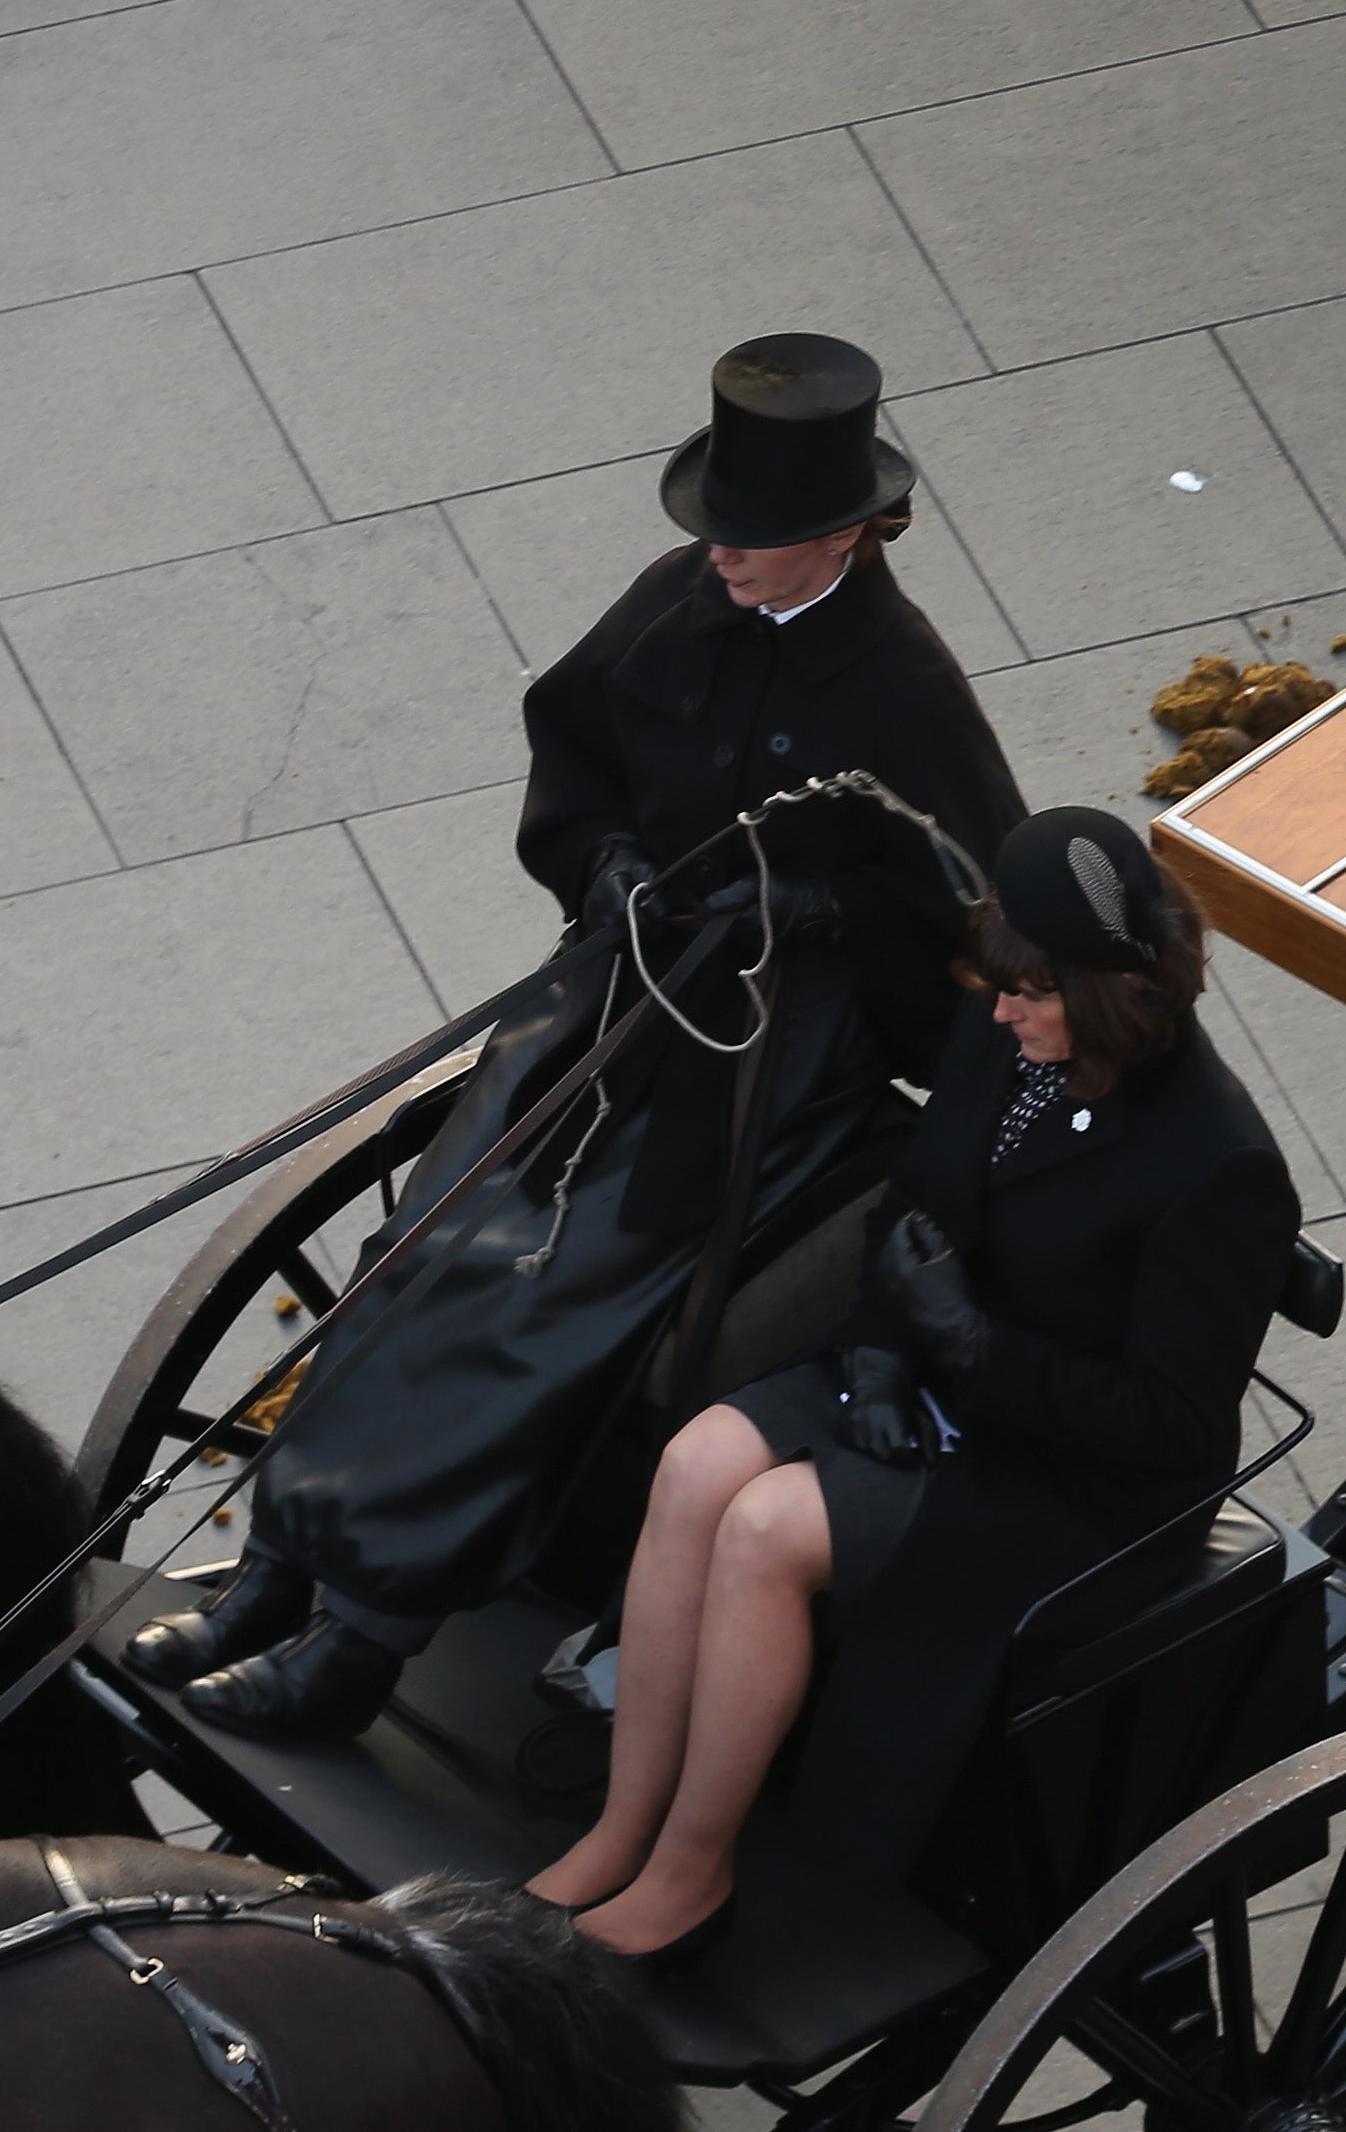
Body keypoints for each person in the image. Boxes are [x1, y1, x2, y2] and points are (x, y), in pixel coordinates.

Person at [129, 336, 1028, 1744]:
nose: (720, 558)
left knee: (537, 1310)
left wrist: (820, 908)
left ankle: (364, 1638)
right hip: (615, 987)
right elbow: (575, 739)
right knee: (418, 1248)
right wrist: (603, 855)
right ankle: (275, 1570)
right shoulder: (683, 600)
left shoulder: (904, 688)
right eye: (716, 530)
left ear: (846, 532)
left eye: (754, 538)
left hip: (758, 1060)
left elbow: (973, 905)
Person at [529, 809, 1302, 1963]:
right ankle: (626, 1823)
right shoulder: (1006, 1041)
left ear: (1101, 997)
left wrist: (978, 1351)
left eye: (1029, 996)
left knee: (763, 1531)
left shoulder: (1220, 1166)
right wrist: (891, 1345)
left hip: (1066, 1477)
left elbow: (1170, 1423)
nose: (999, 1014)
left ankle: (693, 1874)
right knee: (696, 1465)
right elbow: (919, 1199)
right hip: (924, 1377)